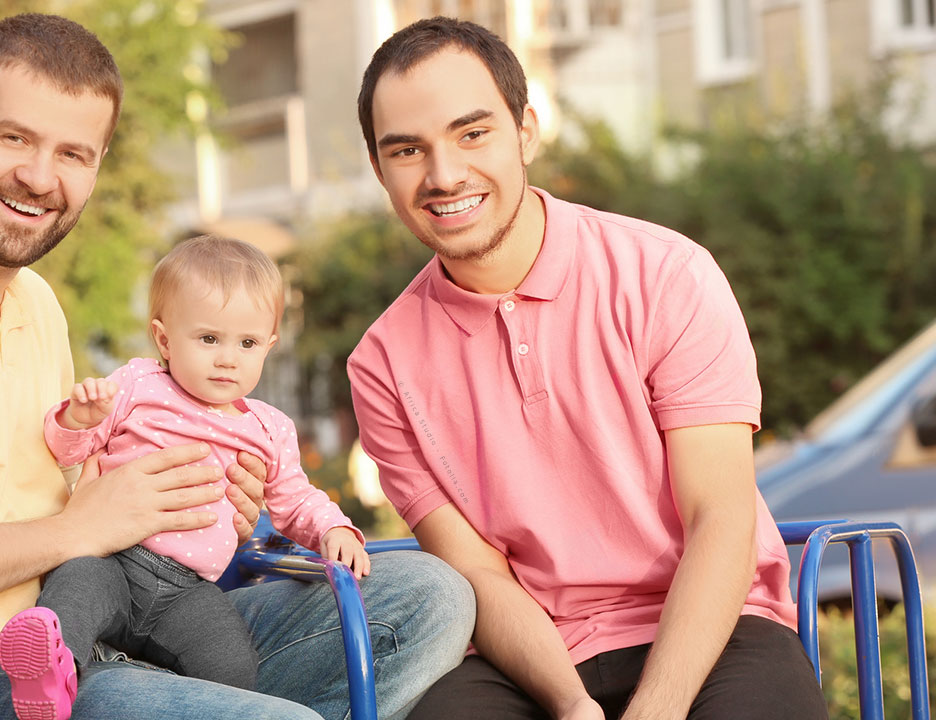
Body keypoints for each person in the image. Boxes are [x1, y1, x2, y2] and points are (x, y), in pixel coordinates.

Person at [0, 13, 473, 720]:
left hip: (108, 630)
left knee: (430, 598)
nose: (40, 177)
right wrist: (81, 531)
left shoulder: (34, 304)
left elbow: (89, 484)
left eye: (75, 154)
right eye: (13, 137)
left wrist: (202, 498)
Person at [347, 16, 828, 720]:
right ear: (380, 169)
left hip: (712, 629)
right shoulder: (382, 363)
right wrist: (572, 705)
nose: (444, 174)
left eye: (472, 133)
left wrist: (655, 710)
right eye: (408, 150)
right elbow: (477, 573)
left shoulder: (667, 276)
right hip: (533, 655)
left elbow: (718, 516)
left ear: (526, 132)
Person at [0, 235, 370, 718]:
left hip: (186, 589)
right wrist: (79, 419)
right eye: (209, 338)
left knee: (234, 665)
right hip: (114, 556)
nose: (227, 357)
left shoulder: (269, 428)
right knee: (73, 594)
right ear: (164, 338)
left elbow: (295, 498)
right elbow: (68, 450)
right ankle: (48, 676)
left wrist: (333, 527)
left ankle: (146, 682)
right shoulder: (136, 385)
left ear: (270, 345)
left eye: (248, 342)